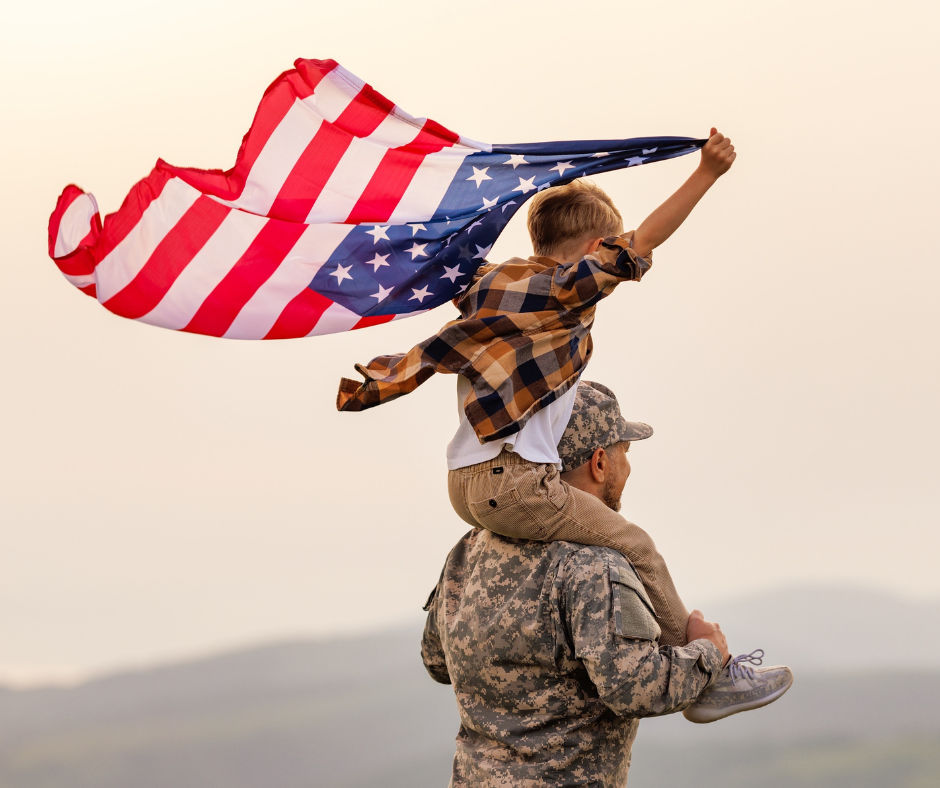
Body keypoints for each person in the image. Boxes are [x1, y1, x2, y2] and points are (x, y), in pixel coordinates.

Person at [340, 130, 738, 649]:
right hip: (516, 481)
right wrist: (706, 173)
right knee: (636, 546)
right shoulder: (566, 290)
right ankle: (703, 663)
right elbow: (643, 242)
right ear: (597, 249)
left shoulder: (493, 282)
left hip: (463, 482)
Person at [421, 381, 793, 786]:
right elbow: (634, 686)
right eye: (624, 454)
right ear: (600, 463)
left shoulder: (469, 549)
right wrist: (708, 653)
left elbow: (437, 661)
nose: (628, 467)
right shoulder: (594, 565)